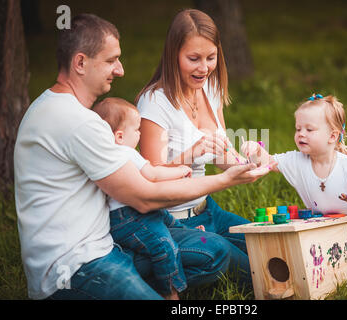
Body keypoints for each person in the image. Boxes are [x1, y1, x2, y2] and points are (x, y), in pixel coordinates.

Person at [14, 13, 265, 300]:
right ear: (80, 62)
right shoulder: (76, 121)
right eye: (111, 60)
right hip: (75, 268)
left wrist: (245, 163)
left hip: (106, 247)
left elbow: (143, 178)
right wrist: (224, 179)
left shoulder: (52, 108)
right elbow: (146, 196)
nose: (120, 70)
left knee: (220, 251)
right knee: (212, 253)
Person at [136, 9, 267, 286]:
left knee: (267, 246)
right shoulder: (154, 103)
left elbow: (223, 157)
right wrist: (189, 155)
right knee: (256, 276)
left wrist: (250, 162)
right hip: (172, 220)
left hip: (208, 210)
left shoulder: (211, 87)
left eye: (211, 57)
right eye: (193, 59)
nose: (204, 68)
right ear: (173, 55)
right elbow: (148, 179)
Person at [241, 94, 347, 273]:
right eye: (298, 129)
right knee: (337, 278)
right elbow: (268, 161)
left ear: (332, 136)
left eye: (309, 130)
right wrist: (255, 148)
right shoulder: (297, 162)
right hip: (327, 236)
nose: (301, 134)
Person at [93, 97, 206, 299]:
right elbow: (153, 174)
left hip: (125, 215)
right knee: (163, 245)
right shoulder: (125, 153)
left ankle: (187, 232)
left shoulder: (107, 154)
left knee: (165, 218)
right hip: (128, 216)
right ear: (119, 136)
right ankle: (170, 292)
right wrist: (180, 171)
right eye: (136, 130)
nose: (140, 133)